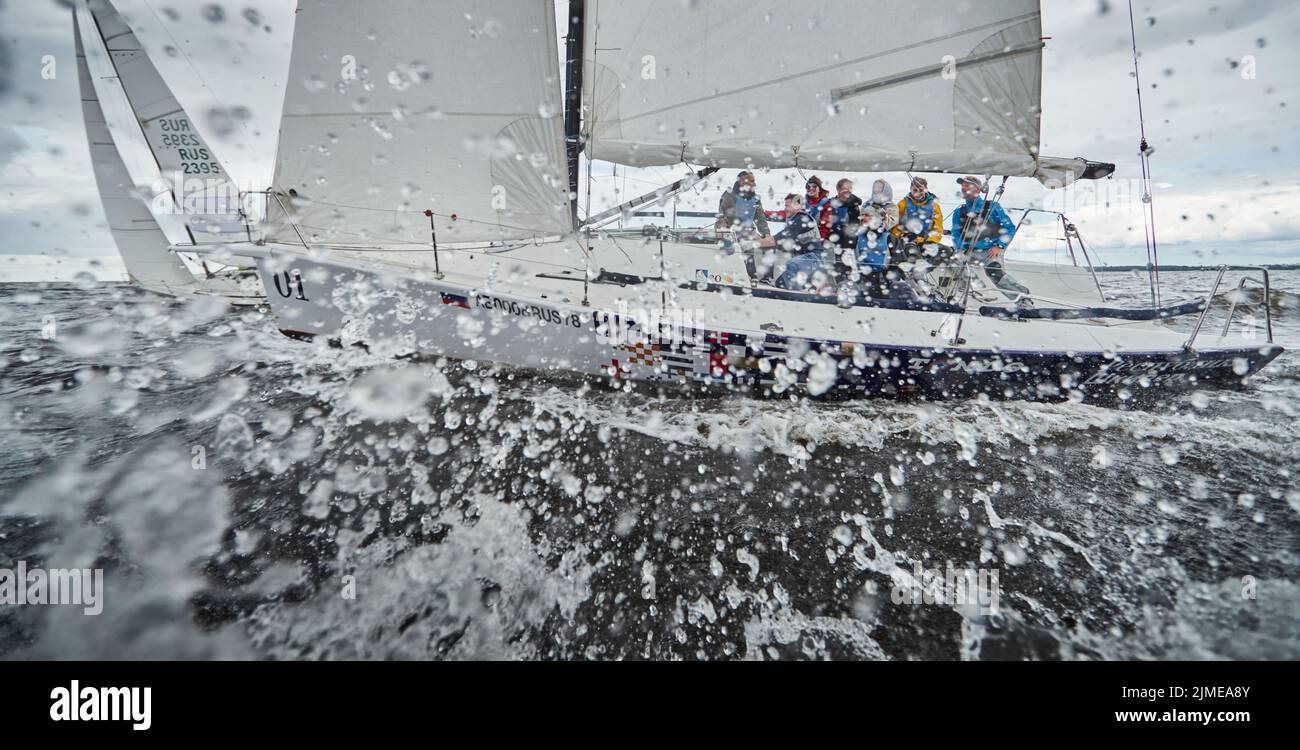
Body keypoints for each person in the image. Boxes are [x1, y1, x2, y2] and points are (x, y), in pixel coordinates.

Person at [949, 175, 1028, 295]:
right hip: (969, 251)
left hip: (990, 251)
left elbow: (1009, 228)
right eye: (962, 185)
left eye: (967, 185)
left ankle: (1023, 297)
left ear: (978, 188)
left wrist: (999, 246)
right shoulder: (959, 211)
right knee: (952, 261)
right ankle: (972, 288)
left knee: (994, 272)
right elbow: (956, 234)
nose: (963, 188)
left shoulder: (993, 207)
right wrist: (961, 249)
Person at [715, 171, 773, 281]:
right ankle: (750, 276)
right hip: (731, 231)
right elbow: (722, 216)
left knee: (767, 244)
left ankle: (766, 278)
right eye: (752, 181)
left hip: (749, 231)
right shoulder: (729, 195)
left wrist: (767, 235)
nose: (754, 184)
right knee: (746, 245)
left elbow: (760, 219)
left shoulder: (756, 198)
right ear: (742, 181)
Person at [772, 193, 828, 291]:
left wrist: (757, 242)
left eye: (787, 206)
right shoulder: (794, 220)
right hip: (804, 262)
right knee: (779, 282)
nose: (785, 208)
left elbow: (778, 239)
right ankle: (803, 291)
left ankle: (799, 297)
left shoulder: (801, 219)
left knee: (791, 265)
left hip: (814, 259)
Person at [856, 179, 898, 293]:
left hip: (882, 237)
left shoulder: (892, 206)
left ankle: (882, 277)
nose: (876, 190)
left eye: (880, 187)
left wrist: (880, 211)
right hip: (865, 236)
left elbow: (890, 223)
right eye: (875, 187)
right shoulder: (866, 204)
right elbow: (861, 221)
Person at [892, 176, 944, 256]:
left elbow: (938, 227)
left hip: (927, 241)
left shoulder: (934, 206)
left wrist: (931, 241)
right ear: (910, 189)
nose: (918, 193)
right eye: (915, 190)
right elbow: (895, 226)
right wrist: (902, 236)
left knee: (946, 251)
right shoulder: (902, 204)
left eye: (921, 190)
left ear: (926, 190)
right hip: (908, 241)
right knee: (913, 253)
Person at [828, 178, 863, 276]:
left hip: (846, 245)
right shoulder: (829, 204)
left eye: (850, 189)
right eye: (845, 189)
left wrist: (848, 249)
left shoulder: (853, 207)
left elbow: (854, 229)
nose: (848, 191)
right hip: (830, 244)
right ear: (838, 190)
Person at [804, 175, 835, 242]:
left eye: (814, 187)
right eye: (808, 187)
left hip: (817, 238)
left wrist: (818, 240)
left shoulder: (825, 204)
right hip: (803, 236)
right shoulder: (802, 202)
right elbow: (791, 212)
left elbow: (825, 227)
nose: (811, 189)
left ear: (819, 189)